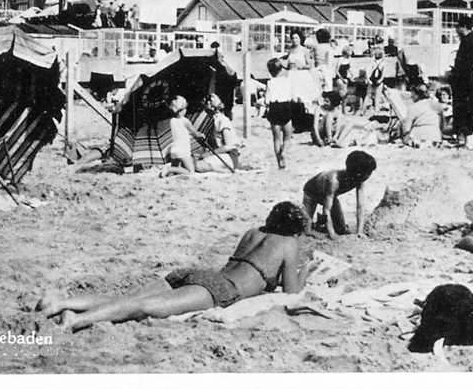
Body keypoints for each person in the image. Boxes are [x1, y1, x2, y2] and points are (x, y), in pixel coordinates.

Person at [35, 201, 314, 332]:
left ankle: (62, 302)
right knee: (144, 308)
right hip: (220, 288)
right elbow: (290, 292)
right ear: (294, 230)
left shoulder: (254, 232)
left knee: (131, 298)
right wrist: (306, 269)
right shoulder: (288, 243)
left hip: (200, 273)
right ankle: (77, 319)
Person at [301, 151, 377, 239]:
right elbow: (326, 210)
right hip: (311, 192)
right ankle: (318, 224)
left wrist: (359, 232)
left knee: (341, 229)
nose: (369, 176)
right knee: (306, 230)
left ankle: (320, 223)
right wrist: (332, 234)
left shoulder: (359, 179)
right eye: (369, 173)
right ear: (359, 173)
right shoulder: (333, 180)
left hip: (330, 196)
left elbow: (360, 206)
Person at [449, 15, 473, 146]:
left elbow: (468, 65)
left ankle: (467, 138)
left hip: (465, 82)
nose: (456, 30)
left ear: (464, 27)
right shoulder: (467, 41)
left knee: (466, 110)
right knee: (463, 110)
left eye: (458, 27)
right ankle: (463, 137)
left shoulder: (471, 42)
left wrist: (455, 73)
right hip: (463, 81)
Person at [160, 96, 206, 177]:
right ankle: (169, 169)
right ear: (182, 110)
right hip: (183, 150)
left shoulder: (172, 121)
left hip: (174, 150)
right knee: (190, 171)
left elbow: (182, 132)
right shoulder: (185, 121)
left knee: (176, 170)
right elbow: (195, 133)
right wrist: (201, 135)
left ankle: (169, 170)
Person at [264, 58, 297, 169]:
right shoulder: (287, 81)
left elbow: (266, 101)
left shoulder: (269, 82)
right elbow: (293, 98)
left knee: (276, 138)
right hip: (285, 107)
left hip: (274, 108)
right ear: (281, 69)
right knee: (288, 135)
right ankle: (284, 151)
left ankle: (279, 162)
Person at [196, 93, 240, 172]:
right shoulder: (213, 120)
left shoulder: (222, 120)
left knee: (196, 165)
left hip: (229, 157)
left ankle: (222, 170)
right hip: (221, 155)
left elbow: (228, 146)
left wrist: (209, 154)